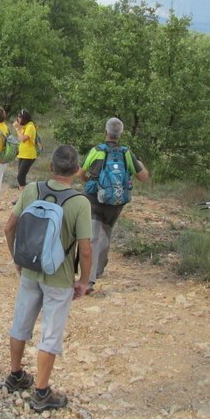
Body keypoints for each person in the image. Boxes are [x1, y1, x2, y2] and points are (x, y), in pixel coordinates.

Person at [2, 144, 92, 412]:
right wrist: (83, 282)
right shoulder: (79, 203)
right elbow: (85, 250)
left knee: (21, 323)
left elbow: (9, 227)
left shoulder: (32, 190)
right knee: (50, 334)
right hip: (59, 278)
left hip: (29, 269)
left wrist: (17, 260)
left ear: (51, 167)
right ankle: (41, 393)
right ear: (77, 171)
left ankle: (16, 375)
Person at [78, 117, 148, 293]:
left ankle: (90, 279)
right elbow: (143, 176)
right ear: (120, 134)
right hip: (115, 202)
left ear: (106, 132)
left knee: (92, 238)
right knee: (105, 234)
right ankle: (99, 269)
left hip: (94, 198)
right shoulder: (126, 153)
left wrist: (88, 182)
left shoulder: (97, 151)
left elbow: (80, 172)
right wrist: (140, 162)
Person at [12, 109, 38, 200]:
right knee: (20, 176)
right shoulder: (25, 126)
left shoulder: (30, 126)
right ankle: (22, 197)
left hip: (29, 155)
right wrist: (19, 128)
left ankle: (24, 198)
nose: (17, 119)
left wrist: (17, 129)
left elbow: (23, 139)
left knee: (20, 176)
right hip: (22, 154)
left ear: (24, 118)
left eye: (19, 117)